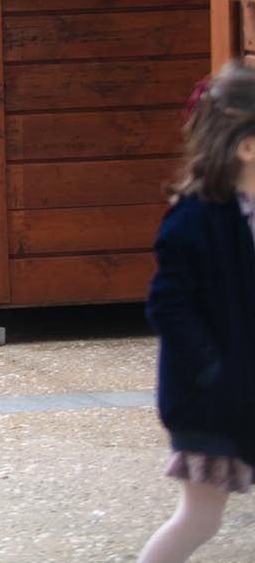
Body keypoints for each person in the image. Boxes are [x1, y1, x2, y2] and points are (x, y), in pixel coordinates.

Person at [137, 64, 255, 563]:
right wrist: (213, 369)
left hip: (242, 391)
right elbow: (168, 304)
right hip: (212, 401)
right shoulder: (193, 219)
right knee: (200, 518)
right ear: (247, 146)